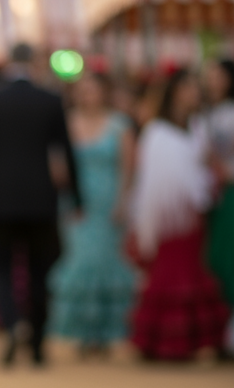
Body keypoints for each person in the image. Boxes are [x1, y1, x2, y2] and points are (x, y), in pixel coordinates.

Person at [0, 42, 81, 365]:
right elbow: (66, 153)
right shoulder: (50, 100)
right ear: (34, 62)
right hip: (41, 198)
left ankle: (13, 323)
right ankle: (39, 343)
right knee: (39, 270)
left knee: (1, 267)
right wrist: (78, 198)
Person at [130, 70, 228, 361]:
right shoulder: (157, 132)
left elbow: (205, 165)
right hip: (169, 220)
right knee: (169, 276)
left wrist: (208, 184)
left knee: (194, 273)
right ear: (174, 92)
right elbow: (152, 183)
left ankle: (194, 341)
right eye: (187, 87)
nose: (194, 93)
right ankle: (161, 343)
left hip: (196, 214)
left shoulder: (199, 127)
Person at [49, 72, 137, 354]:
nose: (87, 96)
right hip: (76, 204)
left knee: (108, 262)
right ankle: (84, 331)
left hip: (109, 201)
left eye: (92, 90)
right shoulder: (65, 123)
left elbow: (129, 166)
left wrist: (124, 201)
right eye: (82, 90)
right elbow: (55, 162)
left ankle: (106, 331)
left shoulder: (119, 124)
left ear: (104, 92)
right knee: (80, 262)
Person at [203, 59, 234, 352]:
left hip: (230, 193)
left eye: (217, 76)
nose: (212, 82)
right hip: (213, 197)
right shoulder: (206, 114)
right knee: (216, 260)